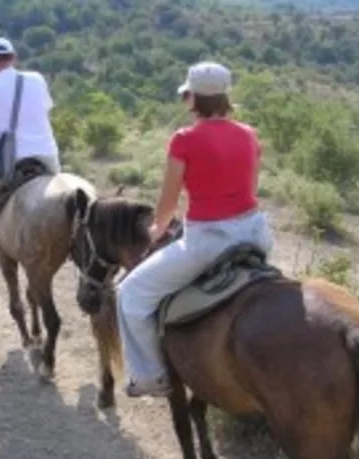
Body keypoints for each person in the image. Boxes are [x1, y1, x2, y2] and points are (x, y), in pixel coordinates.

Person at [116, 61, 273, 398]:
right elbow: (251, 188)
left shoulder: (184, 139)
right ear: (225, 97)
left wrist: (158, 229)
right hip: (256, 234)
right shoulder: (249, 134)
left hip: (208, 242)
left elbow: (169, 201)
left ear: (192, 99)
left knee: (130, 294)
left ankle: (149, 375)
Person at [0, 37, 60, 275]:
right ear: (14, 57)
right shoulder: (37, 79)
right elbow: (46, 109)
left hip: (11, 161)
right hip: (46, 155)